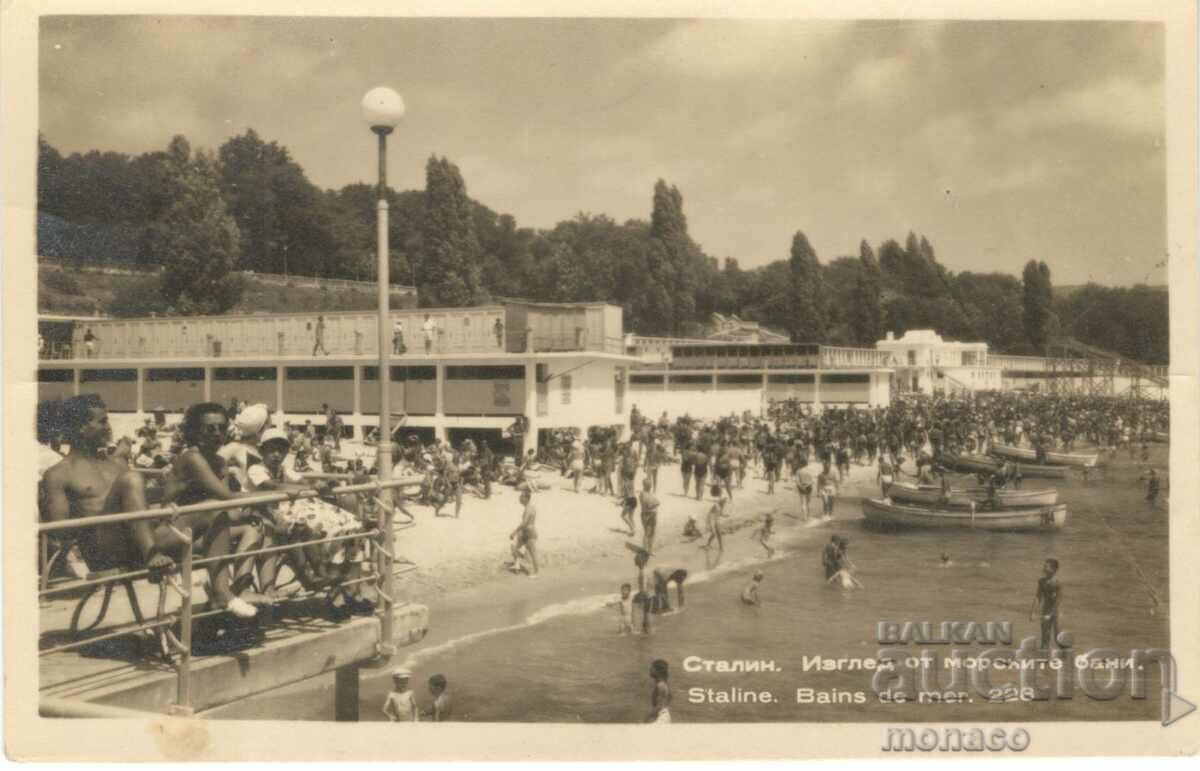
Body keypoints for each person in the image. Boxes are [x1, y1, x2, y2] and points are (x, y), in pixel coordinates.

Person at [1029, 558, 1061, 652]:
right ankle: (1044, 657)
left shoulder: (1057, 583)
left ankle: (1064, 657)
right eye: (1044, 566)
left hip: (1055, 612)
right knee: (1044, 636)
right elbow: (1038, 597)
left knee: (1057, 636)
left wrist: (1051, 614)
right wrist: (1032, 612)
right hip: (1045, 610)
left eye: (1046, 566)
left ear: (1054, 569)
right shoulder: (1041, 581)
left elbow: (1058, 601)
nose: (1043, 568)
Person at [507, 488, 538, 577]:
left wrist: (514, 532)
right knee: (514, 546)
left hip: (529, 533)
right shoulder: (529, 507)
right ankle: (517, 565)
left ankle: (536, 572)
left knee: (532, 553)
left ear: (526, 498)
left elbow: (524, 523)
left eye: (521, 497)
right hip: (524, 532)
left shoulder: (529, 509)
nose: (519, 499)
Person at [638, 477, 659, 552]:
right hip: (647, 515)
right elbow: (652, 504)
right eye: (649, 485)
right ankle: (645, 549)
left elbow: (655, 502)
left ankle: (649, 549)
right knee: (647, 533)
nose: (650, 486)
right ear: (645, 485)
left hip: (651, 514)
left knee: (652, 533)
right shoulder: (643, 494)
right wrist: (655, 503)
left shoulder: (647, 494)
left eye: (650, 484)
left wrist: (655, 503)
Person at [648, 659, 672, 723]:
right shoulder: (663, 684)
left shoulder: (660, 686)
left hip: (661, 718)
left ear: (657, 671)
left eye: (652, 668)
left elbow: (659, 706)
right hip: (664, 716)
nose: (650, 670)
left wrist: (648, 718)